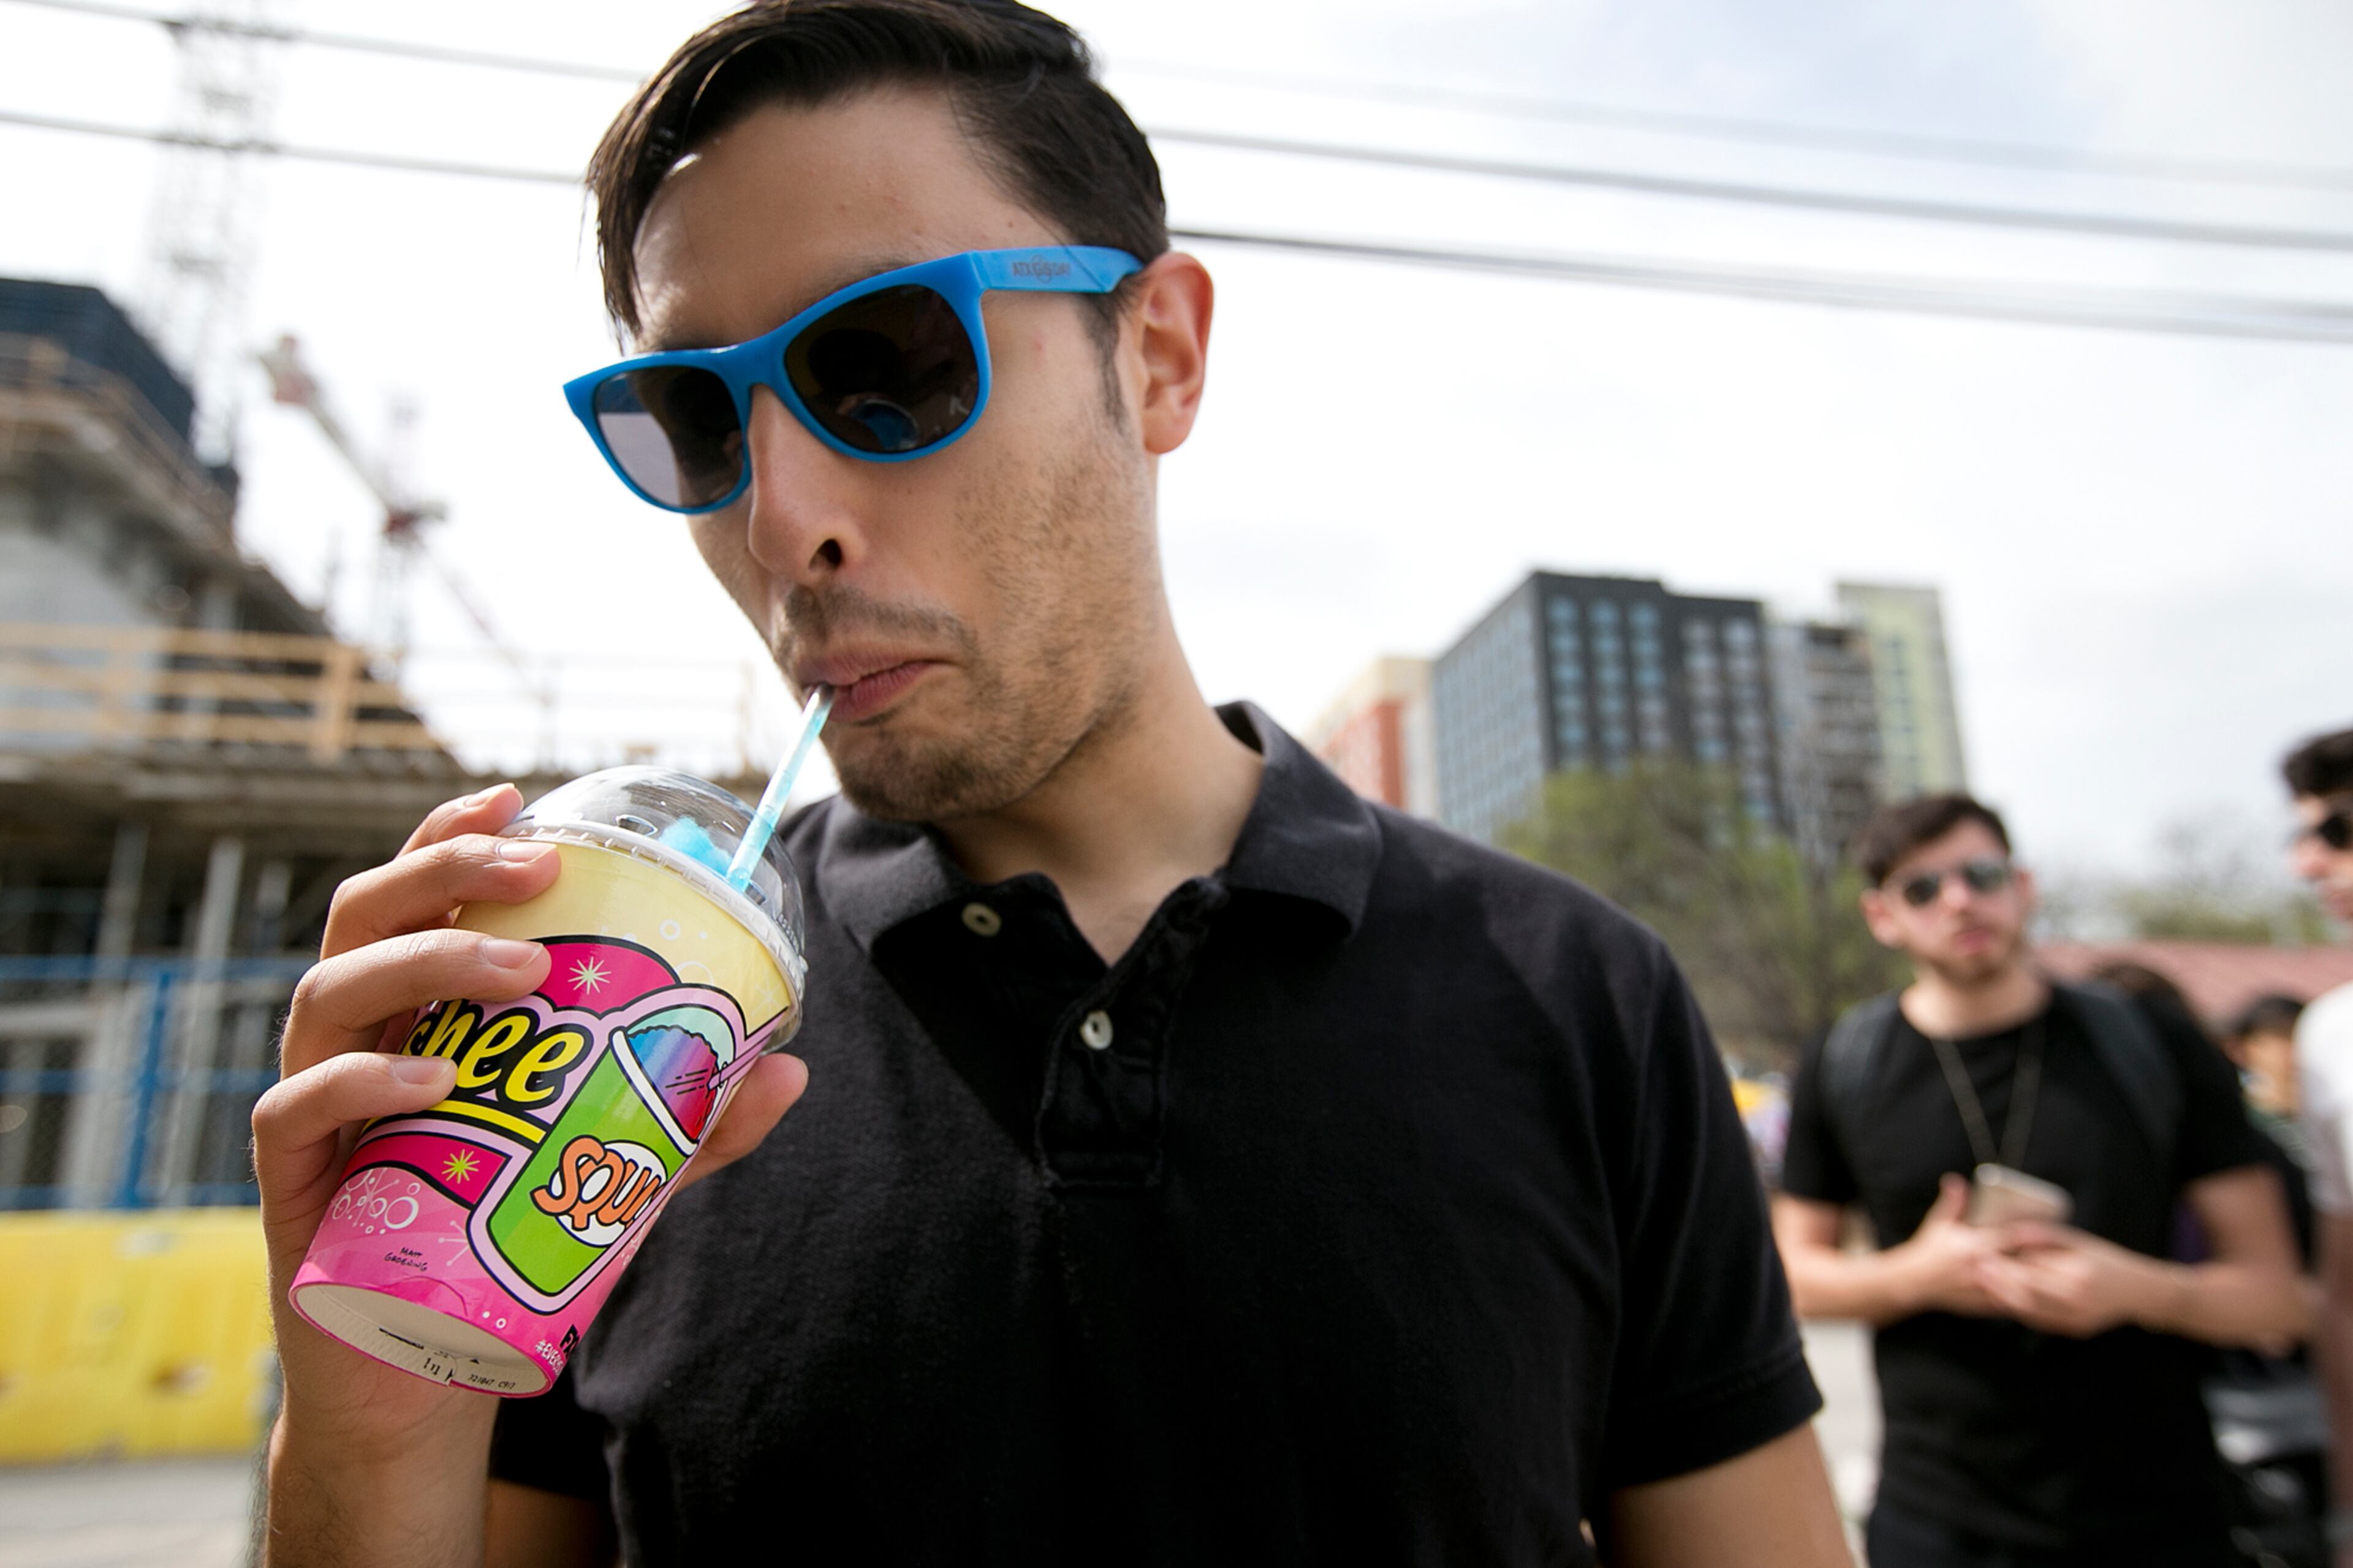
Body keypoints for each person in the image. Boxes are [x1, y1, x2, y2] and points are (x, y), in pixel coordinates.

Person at [251, 3, 1851, 1563]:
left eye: (883, 363)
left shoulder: (1578, 997)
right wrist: (375, 1422)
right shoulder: (625, 1056)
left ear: (1155, 355)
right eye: (698, 414)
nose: (779, 519)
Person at [1772, 793, 2308, 1567]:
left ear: (2023, 886)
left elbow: (2276, 1295)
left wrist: (2138, 1289)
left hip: (2159, 1514)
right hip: (1937, 1521)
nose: (1959, 900)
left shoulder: (2148, 1041)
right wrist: (1914, 1276)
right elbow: (1795, 1278)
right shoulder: (1842, 1060)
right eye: (1921, 888)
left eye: (1981, 874)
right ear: (1882, 917)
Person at [2279, 727, 2353, 1566]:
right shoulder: (2331, 1038)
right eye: (2301, 835)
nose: (2308, 862)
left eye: (2337, 829)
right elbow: (2342, 1294)